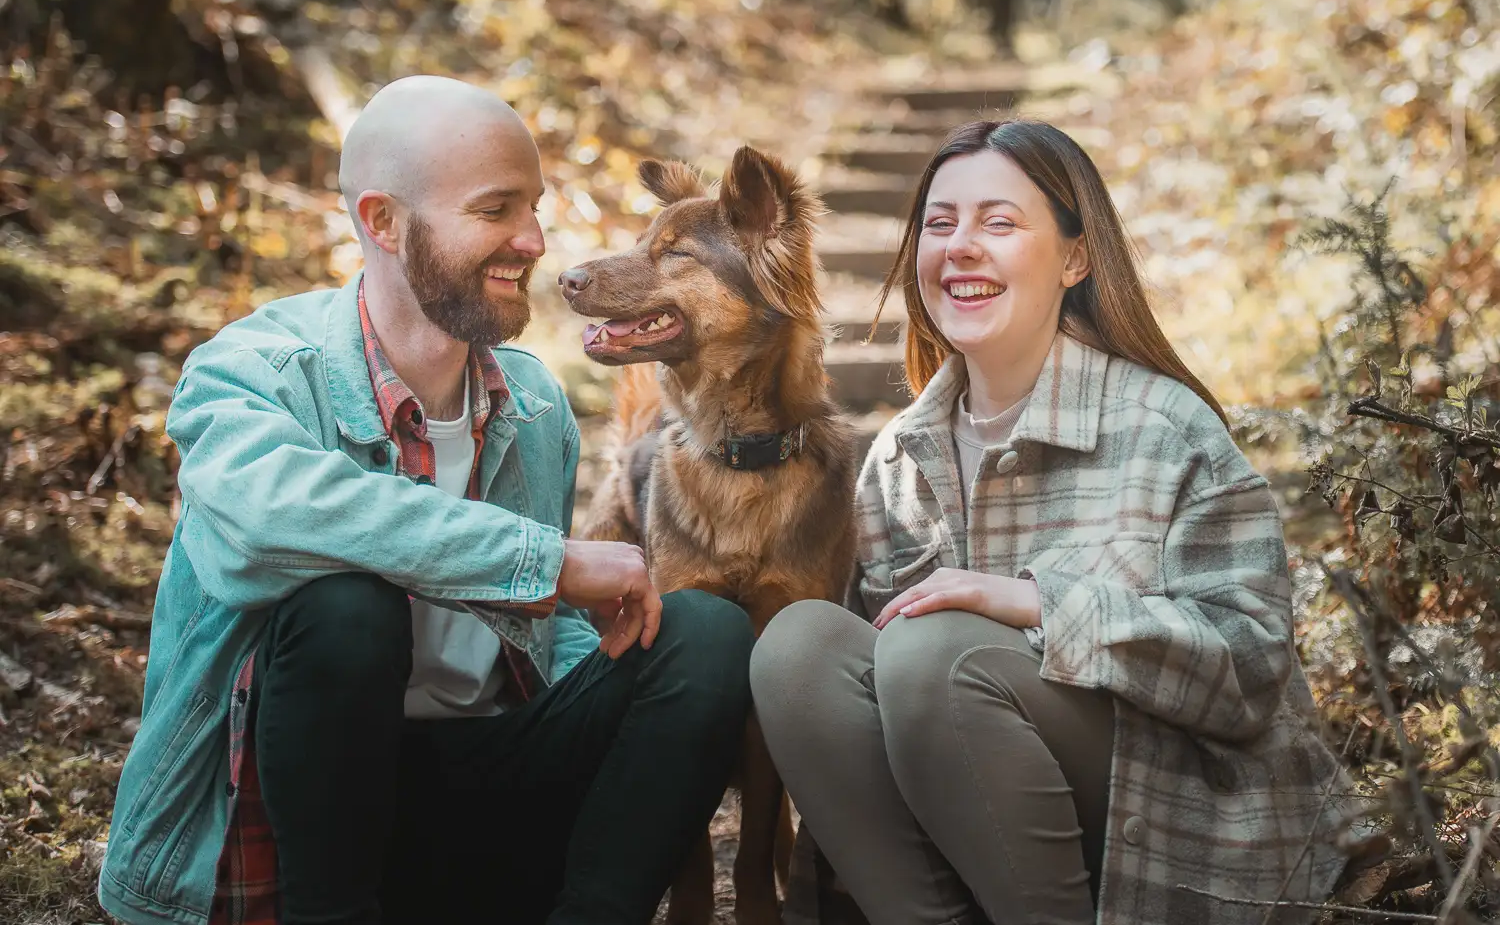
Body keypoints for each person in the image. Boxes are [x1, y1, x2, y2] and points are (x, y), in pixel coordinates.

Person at [98, 74, 756, 925]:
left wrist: (601, 709)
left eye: (535, 208)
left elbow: (544, 630)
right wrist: (545, 562)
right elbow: (264, 524)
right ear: (382, 221)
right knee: (345, 606)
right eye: (496, 210)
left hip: (481, 787)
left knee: (703, 633)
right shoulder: (252, 369)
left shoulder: (533, 402)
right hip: (290, 824)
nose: (533, 240)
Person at [750, 119, 1357, 925]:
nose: (961, 246)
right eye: (940, 224)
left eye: (999, 223)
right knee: (799, 648)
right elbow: (860, 733)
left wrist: (1040, 605)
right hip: (969, 841)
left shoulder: (1164, 428)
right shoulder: (897, 459)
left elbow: (1250, 672)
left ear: (1075, 258)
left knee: (937, 653)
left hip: (1173, 831)